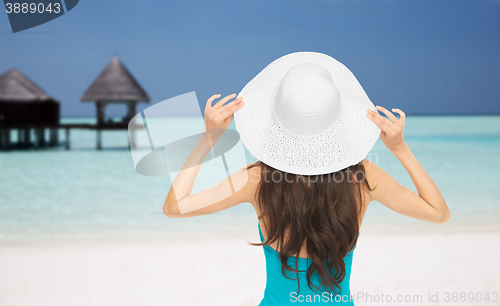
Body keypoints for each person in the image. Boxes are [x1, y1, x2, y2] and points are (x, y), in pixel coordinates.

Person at [163, 52, 450, 305]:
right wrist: (400, 148)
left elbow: (175, 207)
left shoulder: (258, 180)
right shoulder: (362, 177)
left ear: (276, 120)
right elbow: (438, 213)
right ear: (337, 121)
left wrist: (208, 139)